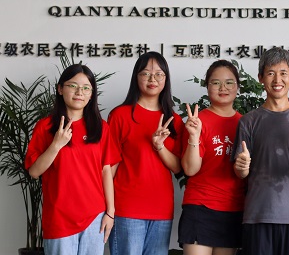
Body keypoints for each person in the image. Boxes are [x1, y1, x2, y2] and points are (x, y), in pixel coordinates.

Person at [232, 47, 289, 255]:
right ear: (260, 78)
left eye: (283, 73)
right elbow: (240, 173)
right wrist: (242, 167)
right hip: (258, 216)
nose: (277, 80)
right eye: (270, 73)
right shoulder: (248, 121)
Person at [25, 64, 116, 255]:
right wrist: (56, 145)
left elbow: (106, 170)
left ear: (91, 94)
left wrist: (110, 212)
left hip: (94, 217)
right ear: (60, 89)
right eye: (73, 86)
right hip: (59, 218)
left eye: (86, 88)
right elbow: (34, 172)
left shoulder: (101, 128)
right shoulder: (45, 127)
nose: (79, 92)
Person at [108, 51, 184, 255]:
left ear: (166, 79)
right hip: (127, 208)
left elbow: (178, 167)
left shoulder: (174, 120)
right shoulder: (120, 115)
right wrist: (106, 208)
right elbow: (109, 166)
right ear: (136, 77)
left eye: (159, 74)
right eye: (146, 73)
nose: (153, 79)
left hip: (161, 209)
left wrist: (159, 146)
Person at [178, 60, 245, 255]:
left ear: (237, 87)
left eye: (229, 82)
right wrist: (194, 136)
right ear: (207, 86)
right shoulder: (197, 122)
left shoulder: (245, 123)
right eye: (216, 83)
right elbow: (190, 169)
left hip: (232, 208)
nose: (223, 88)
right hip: (200, 207)